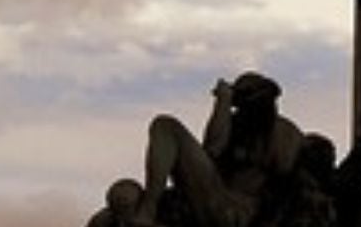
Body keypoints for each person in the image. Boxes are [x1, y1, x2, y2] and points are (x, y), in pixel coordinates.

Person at [129, 72, 321, 227]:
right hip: (216, 195)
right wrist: (222, 104)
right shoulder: (234, 124)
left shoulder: (284, 133)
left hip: (242, 212)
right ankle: (148, 208)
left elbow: (287, 180)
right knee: (164, 125)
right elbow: (212, 149)